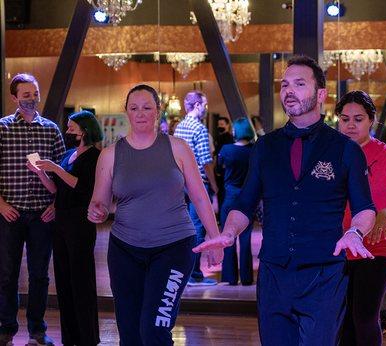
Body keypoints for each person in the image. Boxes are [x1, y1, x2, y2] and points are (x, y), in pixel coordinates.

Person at [197, 56, 376, 346]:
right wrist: (228, 233)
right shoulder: (265, 147)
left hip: (324, 274)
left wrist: (355, 232)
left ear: (320, 94)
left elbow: (365, 208)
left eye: (299, 84)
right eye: (285, 84)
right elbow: (244, 204)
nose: (289, 90)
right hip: (273, 274)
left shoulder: (345, 149)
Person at [87, 84, 222, 345]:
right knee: (129, 333)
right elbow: (100, 203)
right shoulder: (110, 155)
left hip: (173, 248)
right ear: (126, 111)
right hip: (124, 250)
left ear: (158, 112)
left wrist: (214, 238)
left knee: (154, 330)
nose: (140, 113)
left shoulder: (178, 148)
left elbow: (199, 196)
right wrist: (97, 211)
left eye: (147, 107)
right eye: (134, 107)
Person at [336, 90, 386, 346]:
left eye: (358, 119)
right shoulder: (331, 155)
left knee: (364, 316)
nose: (350, 124)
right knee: (343, 319)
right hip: (337, 247)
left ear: (371, 120)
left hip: (378, 247)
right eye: (345, 118)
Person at [0, 73, 66, 346]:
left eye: (34, 93)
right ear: (14, 98)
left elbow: (65, 174)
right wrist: (0, 204)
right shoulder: (2, 128)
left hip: (42, 214)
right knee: (6, 274)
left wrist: (55, 204)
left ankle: (37, 332)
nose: (31, 98)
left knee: (39, 275)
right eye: (25, 94)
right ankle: (6, 329)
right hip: (9, 213)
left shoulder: (51, 130)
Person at [30, 111, 103, 346]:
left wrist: (56, 168)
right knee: (64, 281)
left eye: (72, 127)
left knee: (81, 281)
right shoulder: (69, 154)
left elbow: (82, 187)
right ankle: (70, 337)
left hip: (80, 223)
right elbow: (56, 189)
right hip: (61, 222)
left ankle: (87, 338)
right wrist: (41, 172)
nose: (68, 131)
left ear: (84, 130)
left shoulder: (95, 156)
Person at [174, 91, 219, 286]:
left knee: (185, 228)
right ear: (198, 106)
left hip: (179, 183)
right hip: (197, 184)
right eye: (205, 105)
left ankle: (185, 273)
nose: (206, 109)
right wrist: (215, 186)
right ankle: (195, 274)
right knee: (198, 227)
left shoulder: (179, 127)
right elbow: (206, 162)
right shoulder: (199, 130)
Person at [217, 118, 256, 286]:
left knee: (228, 236)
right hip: (248, 197)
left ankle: (230, 277)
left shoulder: (226, 150)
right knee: (245, 238)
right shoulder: (254, 151)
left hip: (230, 197)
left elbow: (219, 170)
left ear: (236, 131)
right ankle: (247, 278)